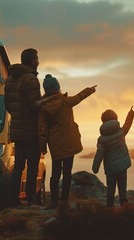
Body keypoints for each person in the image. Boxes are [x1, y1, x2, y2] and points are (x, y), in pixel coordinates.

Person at [38, 74, 96, 209]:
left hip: (55, 144)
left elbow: (42, 130)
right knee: (67, 173)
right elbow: (80, 96)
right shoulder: (65, 101)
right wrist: (90, 90)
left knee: (55, 173)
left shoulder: (43, 108)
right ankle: (64, 201)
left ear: (46, 90)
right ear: (57, 87)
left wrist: (43, 148)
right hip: (70, 142)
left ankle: (53, 201)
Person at [4, 48, 41, 207]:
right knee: (32, 166)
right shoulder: (31, 79)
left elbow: (8, 105)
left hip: (17, 130)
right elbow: (34, 106)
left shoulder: (10, 78)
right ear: (33, 61)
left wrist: (18, 116)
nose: (38, 61)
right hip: (31, 130)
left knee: (18, 165)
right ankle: (31, 199)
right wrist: (45, 100)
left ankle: (13, 199)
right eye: (37, 59)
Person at [92, 107, 134, 207]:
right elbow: (128, 124)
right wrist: (131, 113)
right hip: (122, 166)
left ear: (103, 121)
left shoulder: (102, 139)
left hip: (110, 169)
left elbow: (99, 155)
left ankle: (109, 210)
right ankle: (125, 209)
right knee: (122, 189)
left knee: (110, 190)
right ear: (115, 119)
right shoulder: (121, 132)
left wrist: (95, 168)